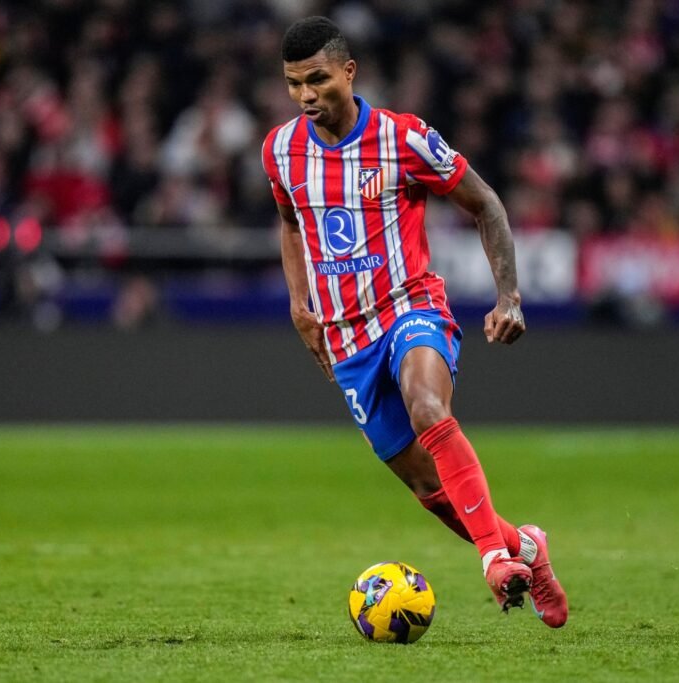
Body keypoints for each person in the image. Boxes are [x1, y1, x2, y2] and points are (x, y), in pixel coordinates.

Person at [261, 16, 567, 628]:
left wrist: (509, 296)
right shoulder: (280, 150)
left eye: (317, 79)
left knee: (429, 407)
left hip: (410, 306)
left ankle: (492, 561)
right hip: (346, 338)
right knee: (431, 489)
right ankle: (526, 549)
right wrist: (301, 305)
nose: (306, 95)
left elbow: (486, 204)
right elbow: (291, 220)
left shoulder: (405, 139)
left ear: (348, 72)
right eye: (295, 84)